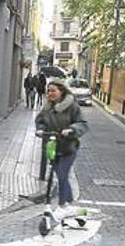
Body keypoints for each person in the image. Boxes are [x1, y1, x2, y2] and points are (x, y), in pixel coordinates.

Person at [35, 78, 89, 215]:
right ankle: (69, 203)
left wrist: (71, 130)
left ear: (61, 91)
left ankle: (62, 205)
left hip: (68, 147)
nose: (50, 93)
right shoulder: (47, 107)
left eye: (53, 91)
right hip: (53, 147)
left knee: (62, 174)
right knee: (59, 174)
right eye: (48, 91)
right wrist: (40, 129)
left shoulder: (72, 106)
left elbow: (82, 123)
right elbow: (40, 121)